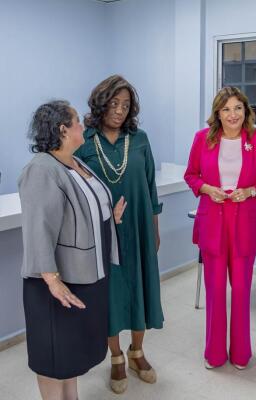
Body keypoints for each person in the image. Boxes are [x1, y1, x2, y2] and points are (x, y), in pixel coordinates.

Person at [19, 100, 126, 400]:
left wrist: (109, 217)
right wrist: (53, 281)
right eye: (77, 120)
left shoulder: (75, 163)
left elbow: (82, 210)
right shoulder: (41, 169)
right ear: (63, 129)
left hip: (85, 277)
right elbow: (39, 228)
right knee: (54, 357)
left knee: (70, 355)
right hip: (56, 285)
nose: (83, 124)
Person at [74, 75, 163, 394]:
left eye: (126, 105)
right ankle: (116, 357)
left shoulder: (139, 139)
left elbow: (150, 185)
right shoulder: (84, 141)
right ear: (101, 103)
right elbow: (76, 192)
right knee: (110, 295)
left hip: (139, 226)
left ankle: (137, 352)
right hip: (102, 233)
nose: (120, 110)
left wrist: (154, 228)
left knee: (140, 287)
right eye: (114, 103)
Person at [184, 86, 256, 369]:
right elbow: (191, 175)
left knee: (240, 290)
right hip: (212, 220)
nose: (232, 114)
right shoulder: (202, 139)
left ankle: (241, 353)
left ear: (246, 110)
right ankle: (214, 353)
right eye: (226, 109)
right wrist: (206, 188)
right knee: (215, 291)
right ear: (217, 113)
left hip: (244, 221)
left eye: (238, 108)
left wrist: (250, 191)